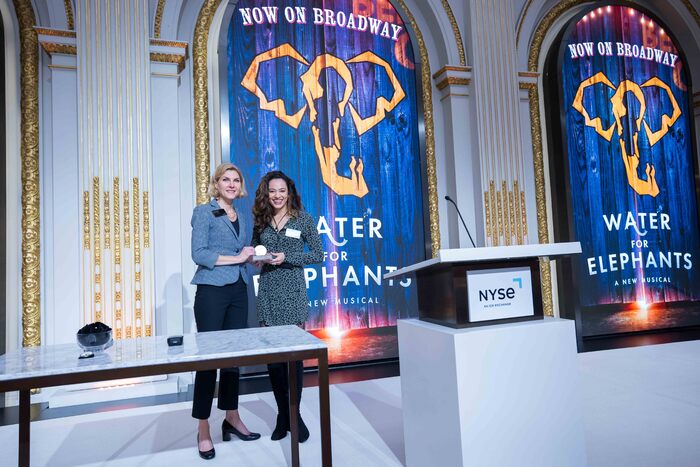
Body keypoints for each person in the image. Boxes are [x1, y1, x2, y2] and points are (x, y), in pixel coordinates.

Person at [190, 163, 261, 460]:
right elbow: (199, 254)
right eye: (226, 180)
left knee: (233, 359)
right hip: (211, 292)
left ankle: (232, 416)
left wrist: (254, 260)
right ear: (216, 183)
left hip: (238, 290)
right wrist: (237, 258)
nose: (231, 184)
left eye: (236, 180)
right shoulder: (203, 211)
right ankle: (203, 428)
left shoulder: (241, 215)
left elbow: (242, 254)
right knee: (209, 361)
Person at [252, 170, 323, 443]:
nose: (277, 195)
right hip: (268, 291)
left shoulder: (303, 219)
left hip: (293, 291)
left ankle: (295, 414)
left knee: (294, 359)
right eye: (272, 191)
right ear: (266, 193)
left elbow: (317, 254)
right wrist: (258, 256)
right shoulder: (261, 221)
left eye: (282, 190)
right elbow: (254, 248)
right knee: (274, 361)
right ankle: (283, 415)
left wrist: (288, 256)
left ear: (289, 192)